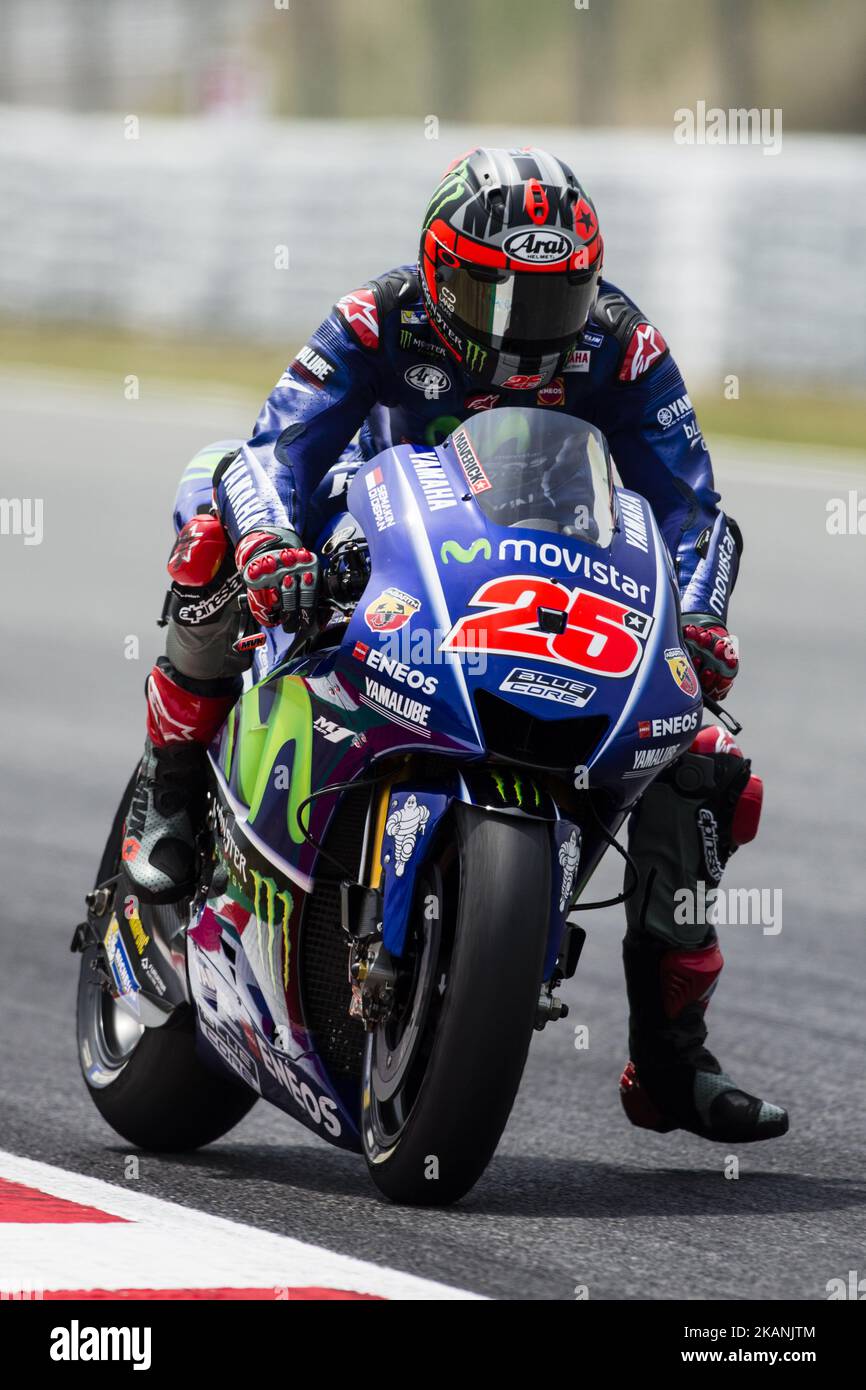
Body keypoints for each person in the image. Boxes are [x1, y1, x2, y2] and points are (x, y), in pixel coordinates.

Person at [121, 146, 787, 1144]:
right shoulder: (371, 319)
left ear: (589, 287)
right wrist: (272, 546)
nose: (523, 331)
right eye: (494, 292)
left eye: (550, 301)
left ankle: (668, 1056)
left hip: (540, 574)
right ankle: (172, 793)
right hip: (370, 534)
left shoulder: (623, 346)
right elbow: (275, 450)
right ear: (437, 268)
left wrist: (697, 624)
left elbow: (693, 510)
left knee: (703, 767)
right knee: (217, 529)